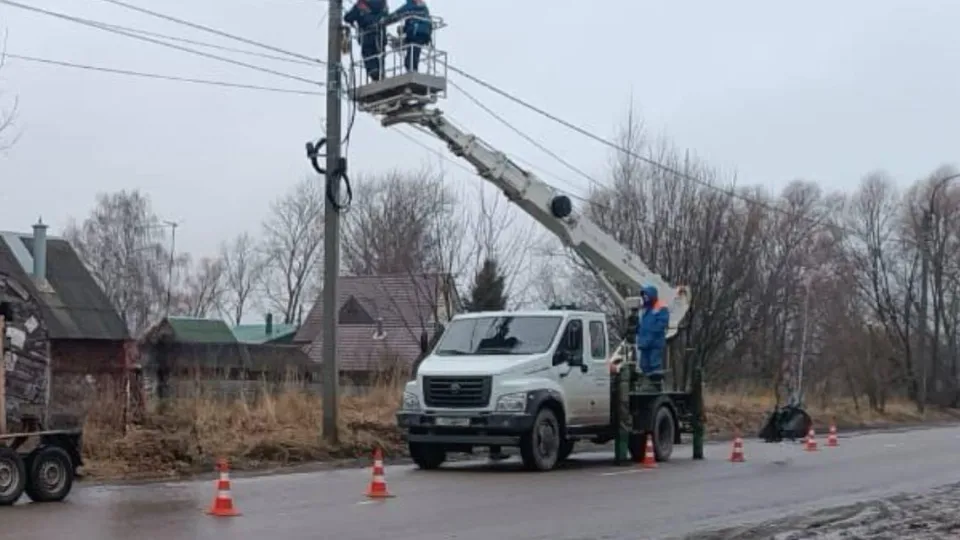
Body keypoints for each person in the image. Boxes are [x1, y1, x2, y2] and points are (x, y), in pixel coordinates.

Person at [344, 0, 389, 81]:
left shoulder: (361, 4)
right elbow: (387, 16)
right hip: (380, 35)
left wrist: (352, 21)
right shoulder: (383, 3)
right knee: (380, 55)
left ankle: (374, 74)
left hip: (367, 36)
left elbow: (348, 17)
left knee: (368, 54)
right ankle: (381, 74)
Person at [384, 0, 432, 72]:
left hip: (416, 32)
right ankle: (412, 68)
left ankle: (412, 69)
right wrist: (404, 29)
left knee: (411, 56)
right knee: (414, 51)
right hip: (423, 32)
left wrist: (384, 21)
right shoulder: (422, 6)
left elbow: (399, 13)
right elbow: (414, 19)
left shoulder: (411, 5)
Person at [636, 285, 669, 375]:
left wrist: (651, 335)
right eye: (644, 296)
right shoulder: (645, 309)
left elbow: (661, 323)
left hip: (654, 342)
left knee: (654, 364)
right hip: (645, 343)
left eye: (646, 295)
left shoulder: (660, 307)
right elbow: (642, 326)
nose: (645, 298)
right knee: (644, 365)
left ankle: (655, 384)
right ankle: (647, 384)